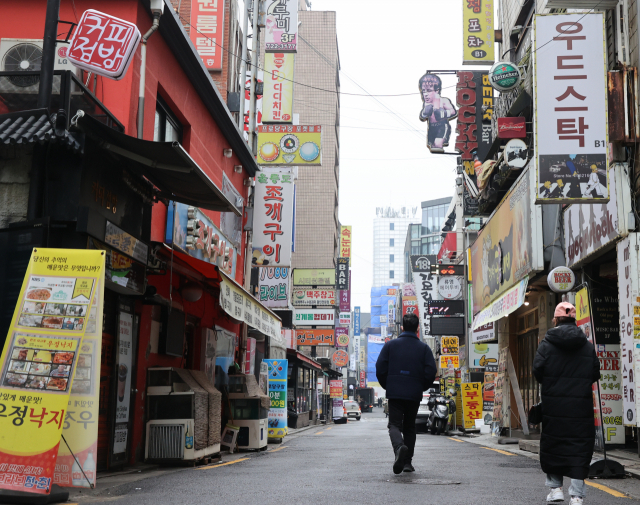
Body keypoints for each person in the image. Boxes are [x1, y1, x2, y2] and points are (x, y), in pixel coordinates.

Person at [533, 302, 600, 505]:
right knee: (579, 448)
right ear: (574, 321)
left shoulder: (546, 344)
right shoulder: (587, 346)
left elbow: (537, 372)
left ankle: (556, 490)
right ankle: (577, 496)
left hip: (554, 406)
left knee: (554, 445)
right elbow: (595, 373)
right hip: (581, 408)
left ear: (555, 320)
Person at [376, 313, 437, 474]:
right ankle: (407, 462)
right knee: (410, 426)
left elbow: (380, 368)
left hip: (395, 392)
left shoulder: (390, 345)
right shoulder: (424, 348)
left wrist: (388, 384)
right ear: (418, 329)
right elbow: (431, 371)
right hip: (414, 392)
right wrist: (421, 386)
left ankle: (399, 448)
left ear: (402, 327)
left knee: (394, 424)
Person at [418, 73, 457, 153]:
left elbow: (453, 111)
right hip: (432, 127)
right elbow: (423, 116)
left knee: (438, 143)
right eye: (423, 91)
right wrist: (424, 113)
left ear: (437, 90)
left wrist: (444, 114)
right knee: (433, 146)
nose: (425, 94)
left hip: (442, 126)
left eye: (428, 91)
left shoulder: (443, 101)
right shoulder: (426, 104)